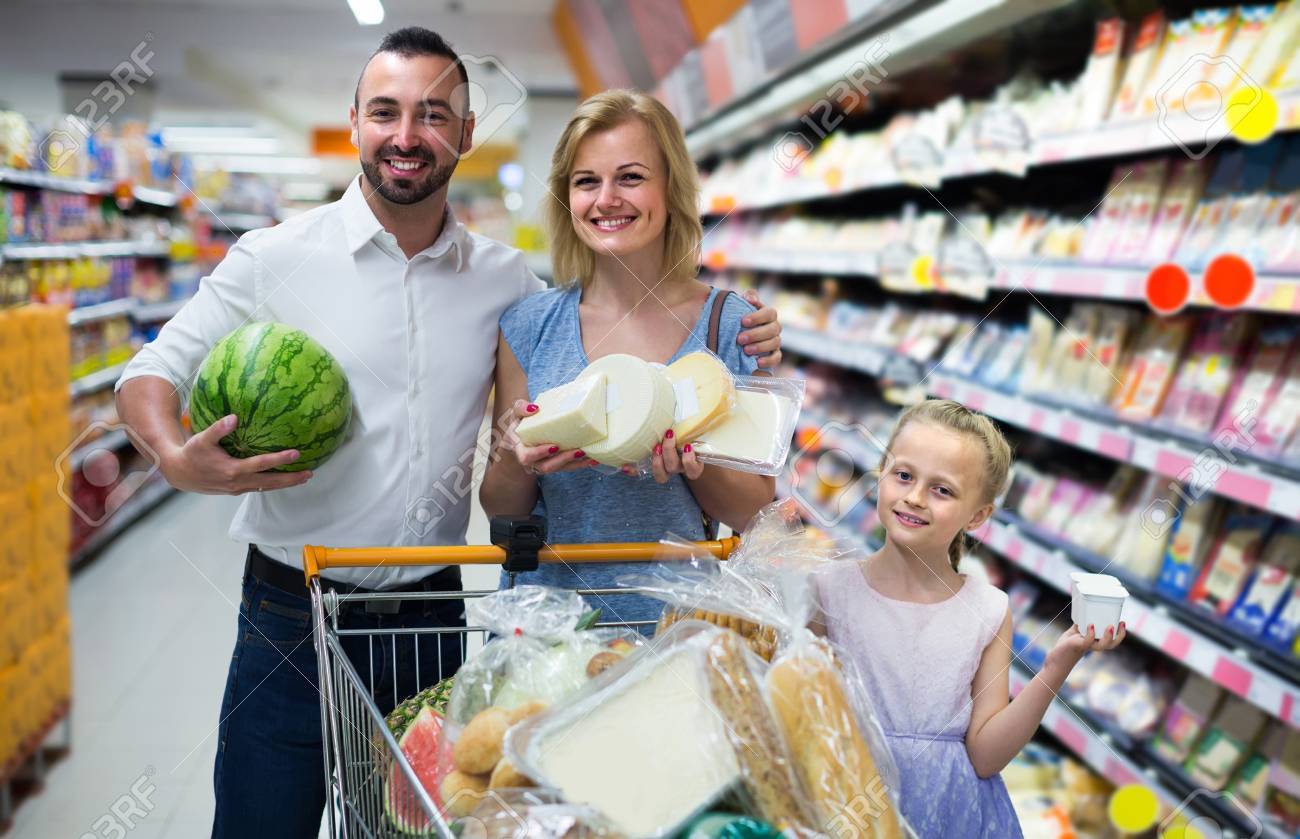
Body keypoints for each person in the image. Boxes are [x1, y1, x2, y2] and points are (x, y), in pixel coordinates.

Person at [113, 29, 784, 839]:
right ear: (355, 119)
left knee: (414, 824)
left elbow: (618, 328)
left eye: (434, 115)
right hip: (293, 605)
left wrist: (744, 343)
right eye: (386, 112)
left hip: (431, 607)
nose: (407, 135)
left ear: (465, 135)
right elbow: (150, 373)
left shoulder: (504, 283)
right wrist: (179, 461)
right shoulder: (273, 256)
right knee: (261, 819)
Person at [479, 90, 778, 627]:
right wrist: (513, 455)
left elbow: (754, 511)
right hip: (548, 635)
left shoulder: (732, 326)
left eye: (631, 178)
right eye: (587, 181)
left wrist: (693, 462)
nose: (606, 199)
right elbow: (501, 510)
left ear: (671, 189)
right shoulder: (528, 326)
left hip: (672, 630)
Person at [815, 400, 1126, 838]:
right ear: (881, 474)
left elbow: (985, 756)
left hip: (951, 816)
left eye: (942, 490)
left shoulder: (988, 609)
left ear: (978, 516)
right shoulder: (829, 591)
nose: (915, 497)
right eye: (903, 475)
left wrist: (1058, 665)